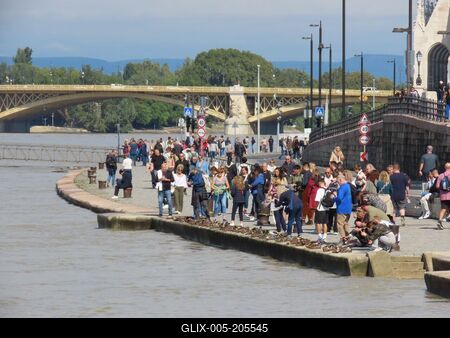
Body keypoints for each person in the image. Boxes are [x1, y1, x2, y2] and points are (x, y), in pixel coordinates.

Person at [335, 174, 353, 244]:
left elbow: (339, 198)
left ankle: (343, 238)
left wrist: (334, 198)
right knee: (346, 223)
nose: (337, 183)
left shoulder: (342, 187)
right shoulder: (348, 186)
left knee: (340, 224)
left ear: (340, 180)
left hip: (342, 208)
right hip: (348, 208)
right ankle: (347, 237)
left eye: (338, 181)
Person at [314, 179, 330, 243]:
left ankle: (319, 237)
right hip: (327, 208)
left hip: (320, 209)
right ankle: (325, 237)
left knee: (318, 223)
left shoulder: (319, 190)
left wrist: (316, 207)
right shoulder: (328, 190)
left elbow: (317, 200)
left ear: (321, 183)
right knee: (325, 223)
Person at [436, 163, 450, 230]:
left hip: (443, 196)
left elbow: (437, 186)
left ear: (445, 167)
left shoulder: (441, 175)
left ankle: (439, 221)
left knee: (443, 209)